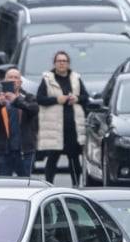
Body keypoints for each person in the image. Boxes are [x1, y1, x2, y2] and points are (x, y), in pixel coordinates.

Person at [37, 51, 90, 186]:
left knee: (73, 158)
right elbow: (40, 99)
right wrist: (56, 99)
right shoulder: (47, 79)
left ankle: (76, 185)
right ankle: (48, 185)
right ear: (54, 63)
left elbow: (85, 97)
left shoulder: (75, 78)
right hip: (55, 127)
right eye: (59, 61)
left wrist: (76, 98)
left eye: (64, 61)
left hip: (72, 126)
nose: (61, 63)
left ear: (68, 63)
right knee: (52, 158)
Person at [0, 67, 38, 177]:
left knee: (25, 184)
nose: (13, 80)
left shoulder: (27, 97)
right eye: (10, 77)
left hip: (24, 151)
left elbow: (34, 109)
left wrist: (16, 100)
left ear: (20, 82)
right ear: (5, 81)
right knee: (4, 185)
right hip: (4, 151)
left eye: (16, 78)